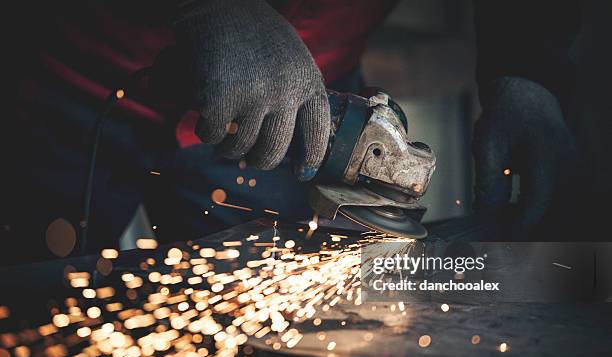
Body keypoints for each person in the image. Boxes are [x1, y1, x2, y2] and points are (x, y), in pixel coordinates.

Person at [1, 0, 581, 265]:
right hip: (75, 79)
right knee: (30, 321)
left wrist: (528, 70)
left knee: (271, 319)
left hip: (289, 108)